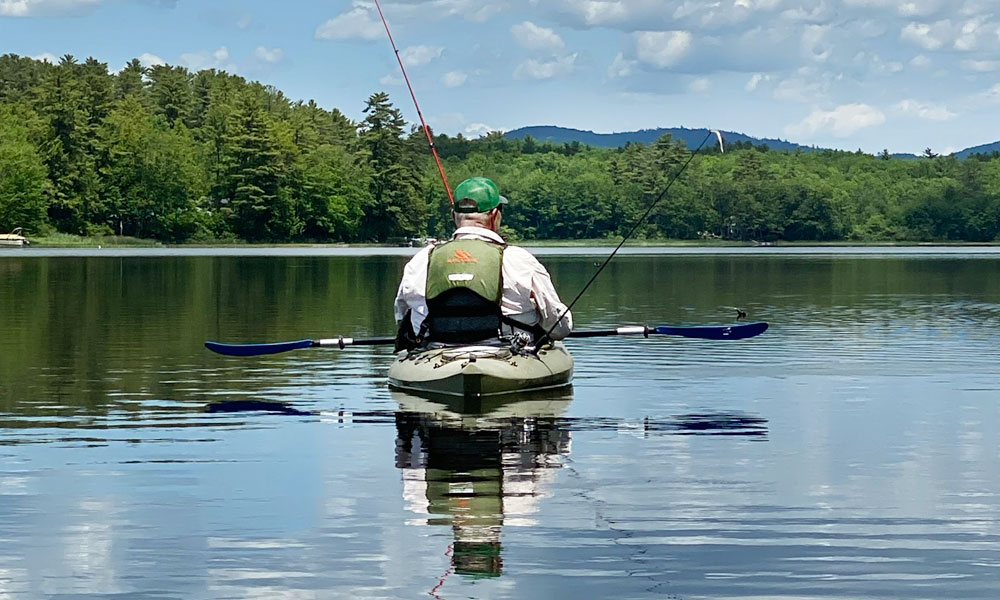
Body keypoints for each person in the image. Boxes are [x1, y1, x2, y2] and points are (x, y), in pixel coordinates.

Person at [394, 177, 572, 350]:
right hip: (506, 356)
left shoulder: (422, 259)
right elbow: (558, 327)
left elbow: (402, 316)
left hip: (435, 356)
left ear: (453, 215)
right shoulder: (520, 260)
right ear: (495, 215)